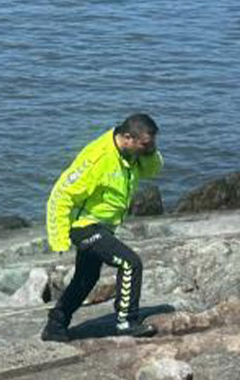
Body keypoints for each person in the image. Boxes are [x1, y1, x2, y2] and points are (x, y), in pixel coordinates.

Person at [41, 114, 164, 342]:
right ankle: (126, 321)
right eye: (146, 144)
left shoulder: (131, 154)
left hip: (104, 226)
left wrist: (148, 151)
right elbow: (60, 195)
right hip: (84, 226)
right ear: (127, 137)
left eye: (153, 143)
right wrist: (58, 239)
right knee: (130, 263)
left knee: (86, 279)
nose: (150, 148)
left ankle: (55, 327)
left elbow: (153, 170)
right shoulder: (97, 158)